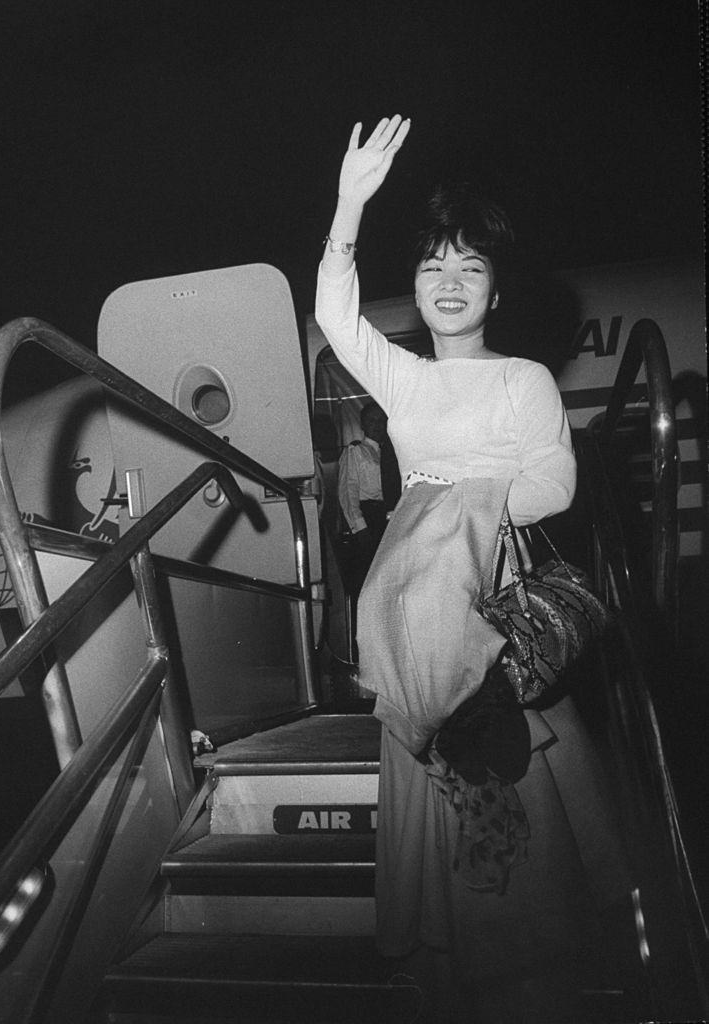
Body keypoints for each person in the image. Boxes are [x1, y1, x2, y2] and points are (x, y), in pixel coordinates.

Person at [315, 116, 631, 1022]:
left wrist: (453, 508)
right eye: (432, 267)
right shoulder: (404, 377)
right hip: (415, 616)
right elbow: (333, 314)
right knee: (432, 782)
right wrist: (348, 203)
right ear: (414, 290)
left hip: (490, 604)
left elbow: (554, 484)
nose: (449, 282)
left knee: (507, 780)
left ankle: (527, 974)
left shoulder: (521, 379)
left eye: (470, 268)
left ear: (495, 292)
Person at [338, 400, 399, 595]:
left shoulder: (391, 454)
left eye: (381, 421)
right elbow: (348, 491)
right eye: (372, 421)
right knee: (368, 579)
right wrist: (360, 527)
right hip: (368, 519)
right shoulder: (355, 451)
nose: (377, 425)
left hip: (389, 519)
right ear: (363, 425)